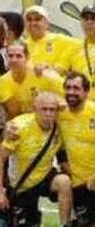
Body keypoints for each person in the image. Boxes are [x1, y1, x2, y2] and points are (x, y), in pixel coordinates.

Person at [0, 91, 73, 227]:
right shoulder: (19, 128)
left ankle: (65, 224)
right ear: (35, 109)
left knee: (64, 182)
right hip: (22, 184)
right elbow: (0, 159)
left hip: (45, 176)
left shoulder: (59, 126)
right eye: (44, 109)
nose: (48, 113)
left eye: (52, 110)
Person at [58, 71, 95, 226]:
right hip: (78, 185)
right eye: (67, 88)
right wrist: (64, 164)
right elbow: (58, 147)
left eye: (76, 88)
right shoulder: (58, 114)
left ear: (86, 92)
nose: (71, 92)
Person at [0, 41, 63, 116]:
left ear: (27, 57)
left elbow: (67, 97)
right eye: (10, 56)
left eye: (19, 56)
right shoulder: (3, 81)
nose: (14, 60)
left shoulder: (43, 74)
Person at [22, 5, 78, 73]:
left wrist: (56, 68)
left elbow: (82, 47)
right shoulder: (22, 45)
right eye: (29, 20)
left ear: (47, 23)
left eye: (37, 19)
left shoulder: (61, 40)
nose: (33, 23)